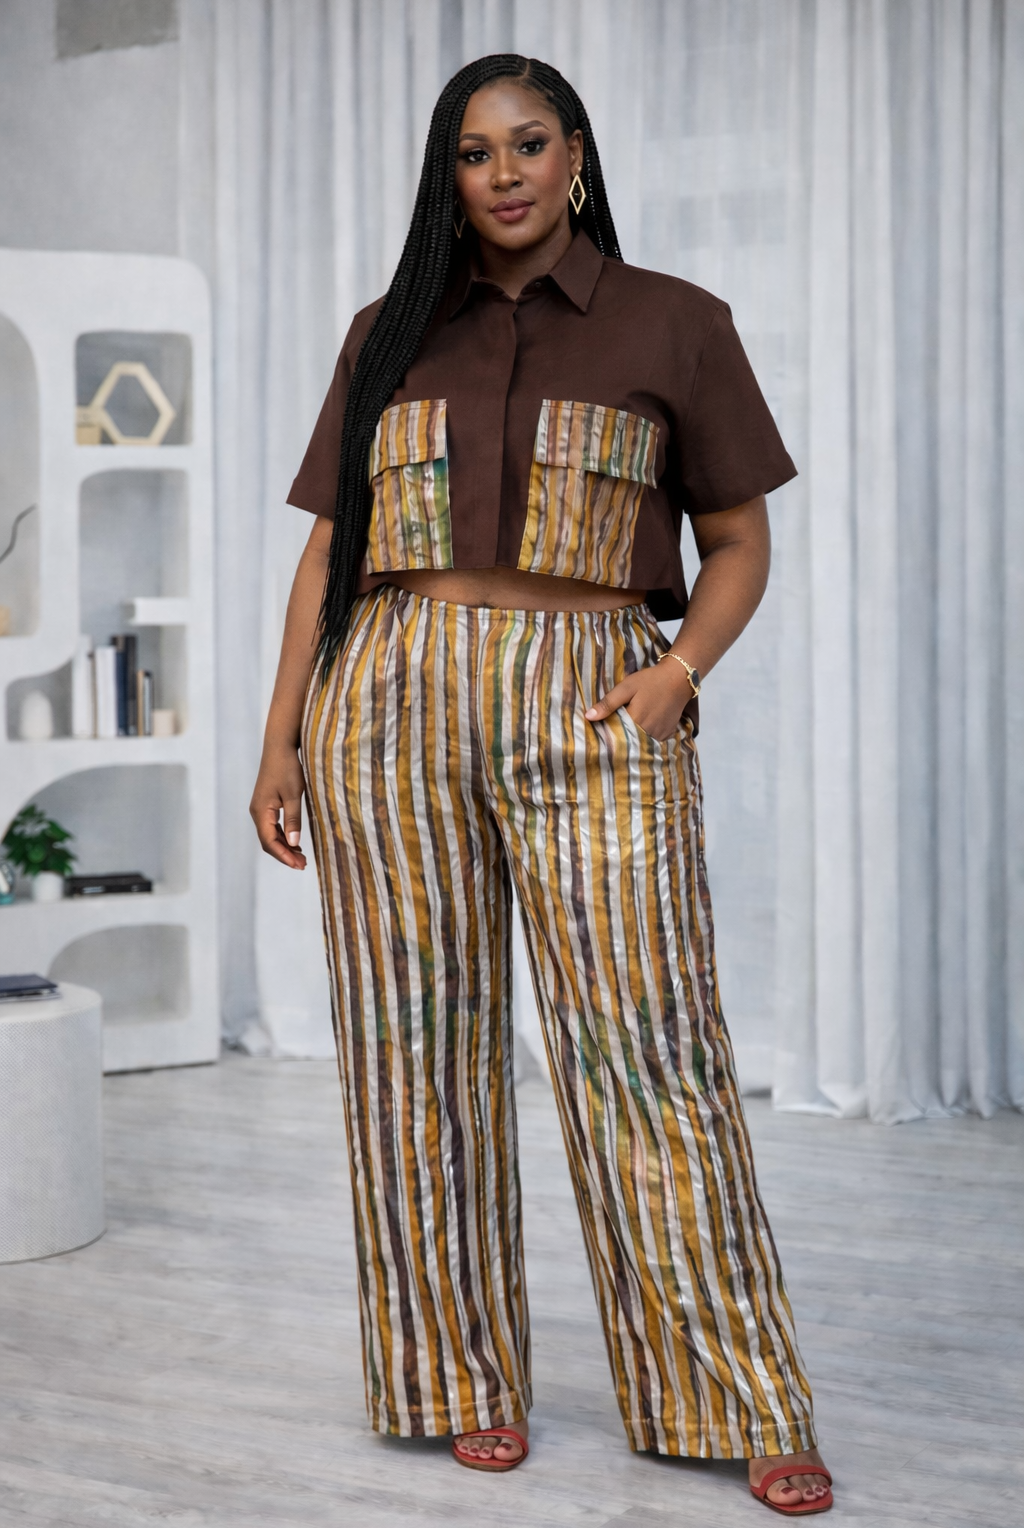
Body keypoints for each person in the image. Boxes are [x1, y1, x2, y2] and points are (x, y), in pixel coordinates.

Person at [250, 53, 832, 1516]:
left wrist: (676, 672)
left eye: (527, 143)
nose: (502, 173)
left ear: (576, 153)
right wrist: (283, 739)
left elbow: (738, 543)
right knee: (412, 1053)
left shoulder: (676, 321)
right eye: (473, 151)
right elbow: (329, 552)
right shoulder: (387, 331)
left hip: (595, 700)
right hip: (390, 697)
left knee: (651, 1050)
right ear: (447, 176)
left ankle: (734, 1395)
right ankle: (455, 1382)